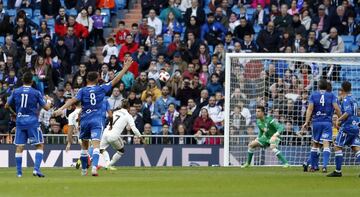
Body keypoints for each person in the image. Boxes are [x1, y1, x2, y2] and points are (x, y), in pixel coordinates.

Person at [53, 58, 133, 176]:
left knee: (84, 146)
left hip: (85, 119)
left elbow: (73, 100)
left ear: (86, 80)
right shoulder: (101, 88)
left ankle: (84, 170)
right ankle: (94, 167)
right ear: (97, 79)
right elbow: (115, 80)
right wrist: (125, 68)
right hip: (97, 119)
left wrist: (61, 109)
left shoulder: (82, 90)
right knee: (96, 145)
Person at [5, 72, 51, 177]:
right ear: (32, 81)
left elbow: (6, 105)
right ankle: (36, 169)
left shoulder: (15, 91)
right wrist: (48, 100)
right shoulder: (36, 92)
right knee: (39, 145)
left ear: (22, 80)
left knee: (19, 147)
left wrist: (15, 114)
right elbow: (47, 108)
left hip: (20, 122)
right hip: (32, 122)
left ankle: (19, 173)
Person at [302, 79, 341, 172]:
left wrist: (306, 122)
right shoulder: (331, 95)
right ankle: (324, 166)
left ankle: (311, 166)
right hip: (327, 122)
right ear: (327, 87)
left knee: (315, 144)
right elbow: (336, 108)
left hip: (316, 122)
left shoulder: (314, 95)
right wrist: (341, 119)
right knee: (326, 144)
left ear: (318, 86)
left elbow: (310, 109)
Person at [327, 81, 360, 177]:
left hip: (347, 127)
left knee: (337, 146)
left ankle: (338, 171)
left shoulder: (346, 100)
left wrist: (339, 120)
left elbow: (348, 112)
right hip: (355, 126)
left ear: (342, 89)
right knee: (355, 148)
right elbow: (357, 112)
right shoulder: (354, 99)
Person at [100, 100, 142, 170]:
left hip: (106, 132)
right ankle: (108, 165)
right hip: (113, 135)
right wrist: (141, 137)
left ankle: (107, 164)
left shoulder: (115, 111)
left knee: (101, 149)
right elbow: (134, 129)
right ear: (128, 108)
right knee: (121, 151)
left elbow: (108, 118)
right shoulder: (128, 116)